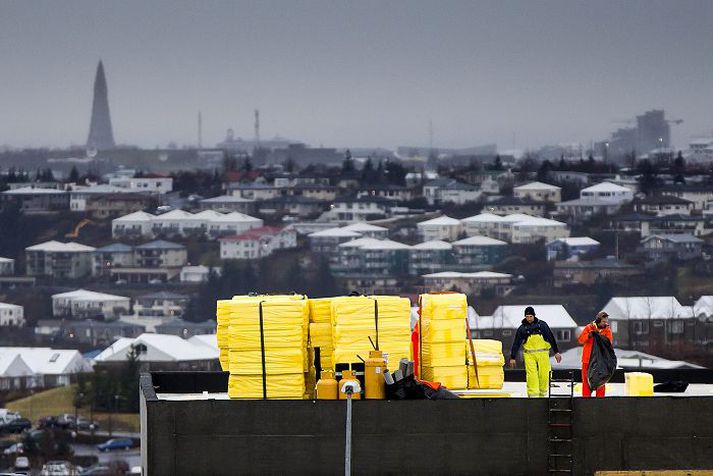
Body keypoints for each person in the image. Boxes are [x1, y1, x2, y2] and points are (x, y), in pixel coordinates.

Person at [509, 306, 562, 397]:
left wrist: (556, 352)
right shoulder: (522, 329)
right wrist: (513, 357)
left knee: (545, 374)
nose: (529, 318)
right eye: (527, 316)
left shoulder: (542, 325)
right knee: (532, 376)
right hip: (529, 355)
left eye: (530, 316)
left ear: (534, 316)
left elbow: (551, 337)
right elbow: (516, 343)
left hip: (543, 353)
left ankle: (543, 394)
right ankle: (533, 396)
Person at [578, 311, 613, 398]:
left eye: (606, 321)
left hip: (600, 362)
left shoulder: (607, 330)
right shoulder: (589, 328)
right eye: (603, 321)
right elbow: (580, 339)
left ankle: (599, 403)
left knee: (601, 383)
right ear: (598, 320)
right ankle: (586, 401)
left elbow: (609, 344)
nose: (605, 323)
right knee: (586, 383)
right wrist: (589, 335)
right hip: (587, 361)